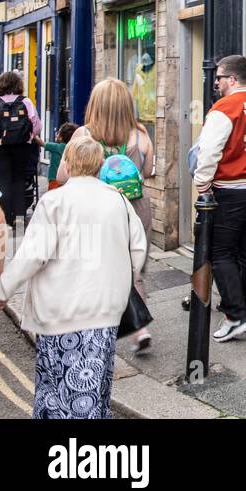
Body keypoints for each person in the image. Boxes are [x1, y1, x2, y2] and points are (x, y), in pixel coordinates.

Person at [0, 134, 147, 419]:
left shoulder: (54, 202)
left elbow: (32, 255)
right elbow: (137, 248)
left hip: (60, 314)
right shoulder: (117, 200)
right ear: (99, 165)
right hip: (104, 312)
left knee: (58, 394)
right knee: (93, 388)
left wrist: (3, 290)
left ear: (66, 163)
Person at [58, 79, 156, 353]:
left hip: (97, 208)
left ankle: (100, 326)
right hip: (136, 208)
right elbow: (147, 171)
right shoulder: (140, 134)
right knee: (132, 266)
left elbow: (62, 176)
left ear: (95, 105)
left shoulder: (83, 135)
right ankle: (140, 327)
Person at [192, 54, 246, 342]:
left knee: (221, 253)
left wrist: (202, 185)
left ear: (231, 79)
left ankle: (235, 315)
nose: (216, 83)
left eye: (218, 78)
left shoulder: (224, 108)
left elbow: (209, 152)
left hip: (232, 189)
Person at [0, 71, 41, 231]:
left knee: (3, 181)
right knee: (19, 180)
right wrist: (29, 138)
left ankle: (6, 218)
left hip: (1, 147)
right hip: (22, 147)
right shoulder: (26, 101)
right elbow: (36, 123)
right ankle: (20, 218)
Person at [42, 122, 79, 192]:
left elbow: (41, 143)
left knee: (54, 199)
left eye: (58, 133)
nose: (56, 134)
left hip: (54, 180)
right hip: (67, 180)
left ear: (61, 137)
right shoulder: (73, 149)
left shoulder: (56, 147)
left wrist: (34, 136)